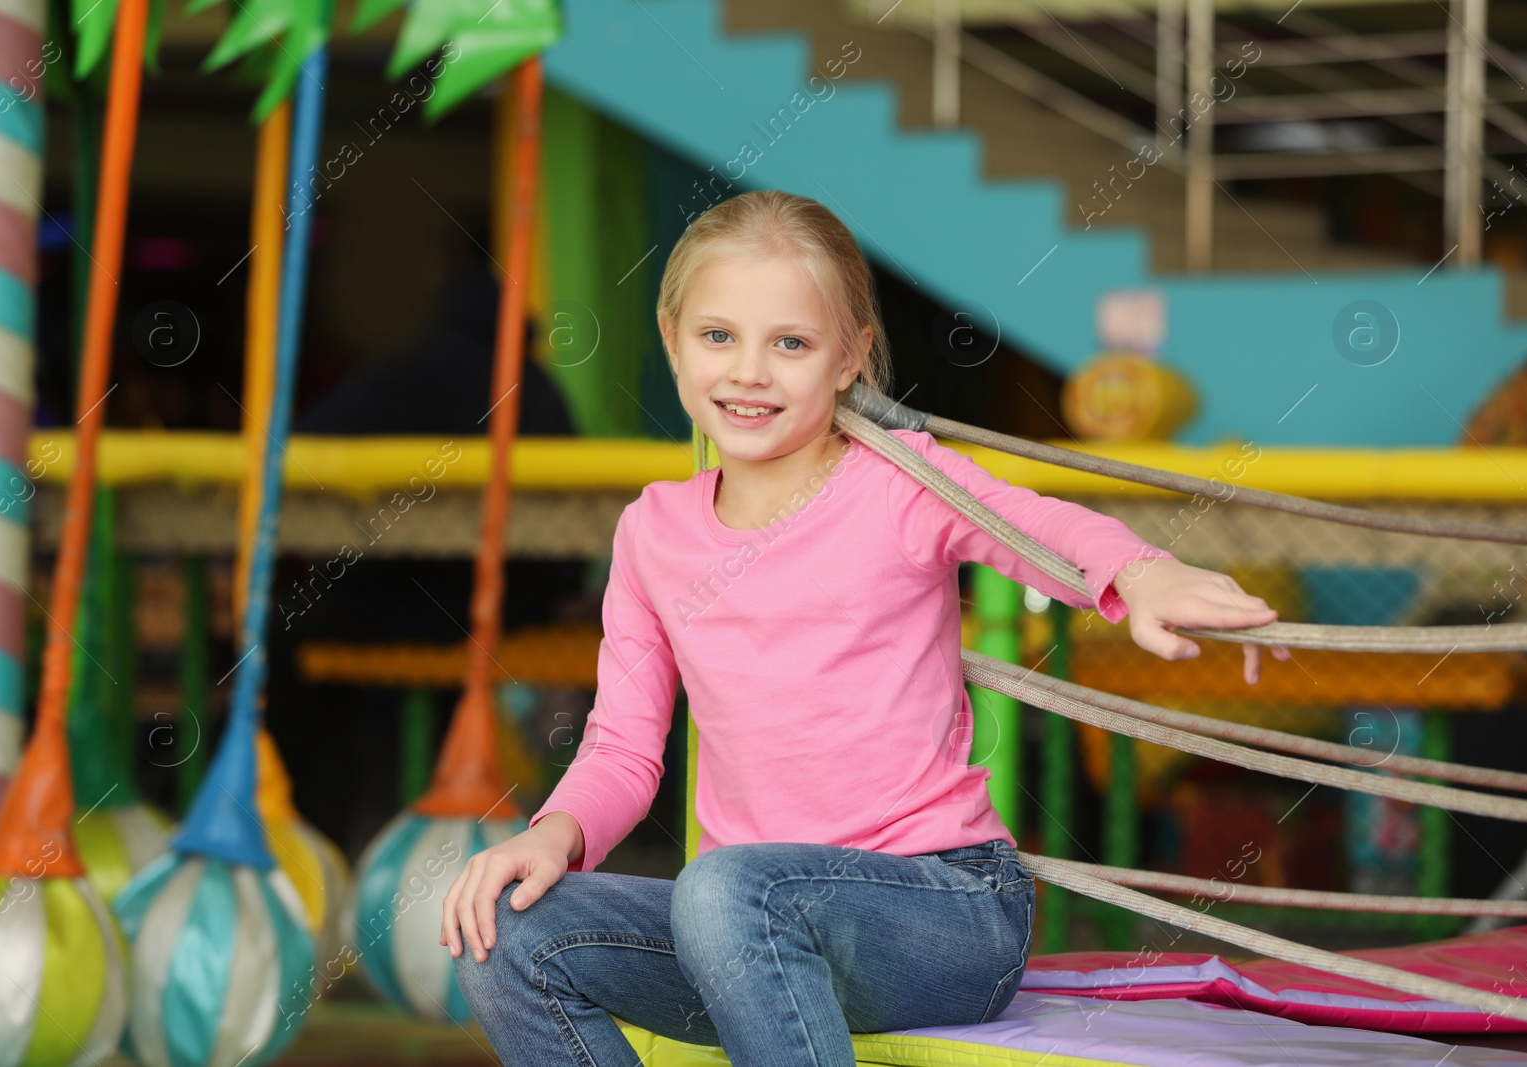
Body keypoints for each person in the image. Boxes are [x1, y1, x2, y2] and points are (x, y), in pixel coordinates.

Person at [440, 190, 1285, 1066]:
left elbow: (1039, 525)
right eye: (718, 336)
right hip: (745, 928)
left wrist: (1143, 573)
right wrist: (550, 832)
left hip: (942, 911)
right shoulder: (652, 531)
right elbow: (621, 747)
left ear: (850, 356)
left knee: (725, 888)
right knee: (505, 927)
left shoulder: (899, 484)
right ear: (672, 338)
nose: (748, 372)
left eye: (791, 344)